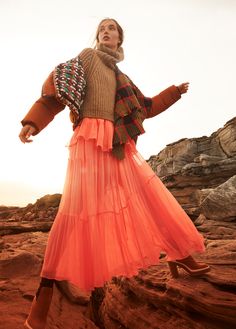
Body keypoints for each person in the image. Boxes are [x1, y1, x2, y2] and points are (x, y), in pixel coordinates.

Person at [19, 18, 210, 329]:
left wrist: (174, 92)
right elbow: (56, 90)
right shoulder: (86, 57)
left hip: (118, 143)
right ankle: (39, 309)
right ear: (97, 38)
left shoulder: (121, 76)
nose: (106, 32)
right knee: (73, 213)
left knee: (149, 196)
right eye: (102, 29)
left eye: (112, 28)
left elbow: (145, 106)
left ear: (120, 38)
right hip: (88, 140)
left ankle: (180, 255)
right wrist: (33, 122)